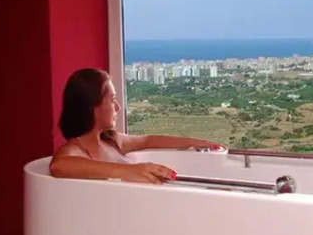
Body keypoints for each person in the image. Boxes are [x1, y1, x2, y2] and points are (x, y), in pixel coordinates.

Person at [49, 68, 227, 184]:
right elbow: (58, 166)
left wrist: (194, 142)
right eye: (112, 100)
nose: (118, 107)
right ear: (92, 106)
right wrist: (128, 171)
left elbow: (148, 140)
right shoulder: (75, 150)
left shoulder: (111, 140)